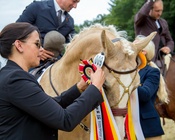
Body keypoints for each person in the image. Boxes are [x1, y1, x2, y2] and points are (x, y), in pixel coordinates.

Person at [0, 22, 105, 140]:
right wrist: (95, 87)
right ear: (19, 45)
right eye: (37, 44)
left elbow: (52, 105)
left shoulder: (10, 76)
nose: (41, 50)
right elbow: (65, 120)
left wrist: (79, 87)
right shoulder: (15, 80)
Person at [134, 35, 168, 140]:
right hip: (126, 125)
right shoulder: (125, 71)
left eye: (134, 47)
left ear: (144, 52)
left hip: (148, 128)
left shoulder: (152, 71)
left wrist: (128, 82)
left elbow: (145, 94)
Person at [134, 0, 174, 68]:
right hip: (145, 60)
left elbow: (170, 41)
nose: (160, 13)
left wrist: (168, 48)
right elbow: (143, 13)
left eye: (161, 10)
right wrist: (151, 1)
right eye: (157, 11)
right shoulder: (141, 20)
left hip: (162, 60)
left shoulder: (163, 22)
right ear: (149, 9)